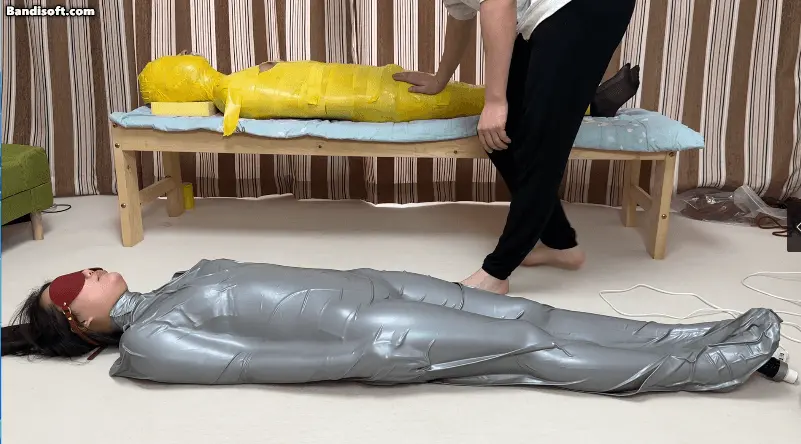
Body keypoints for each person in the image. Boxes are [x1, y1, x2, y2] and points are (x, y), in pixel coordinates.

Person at [2, 259, 786, 395]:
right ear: (78, 321)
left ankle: (694, 336)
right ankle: (711, 369)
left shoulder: (181, 279)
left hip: (376, 286)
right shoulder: (148, 342)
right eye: (76, 284)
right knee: (527, 347)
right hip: (371, 327)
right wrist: (357, 355)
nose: (92, 271)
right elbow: (245, 362)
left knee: (534, 313)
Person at [393, 0, 639, 294]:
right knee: (500, 136)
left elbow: (498, 5)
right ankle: (561, 243)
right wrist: (439, 79)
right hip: (547, 13)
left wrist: (495, 101)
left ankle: (496, 273)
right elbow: (462, 13)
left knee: (540, 144)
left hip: (581, 7)